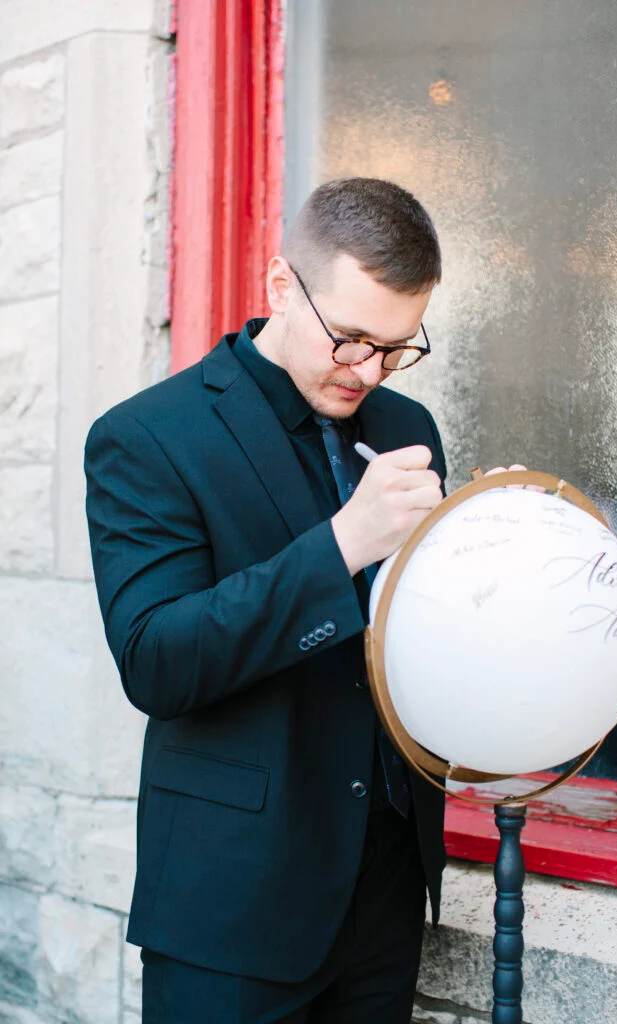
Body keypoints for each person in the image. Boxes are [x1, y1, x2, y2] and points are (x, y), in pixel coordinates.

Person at [85, 177, 448, 1023]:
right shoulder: (146, 437)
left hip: (385, 884)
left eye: (397, 348)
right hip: (232, 902)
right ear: (281, 287)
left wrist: (488, 546)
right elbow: (155, 659)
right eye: (351, 338)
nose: (370, 370)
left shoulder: (409, 426)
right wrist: (338, 549)